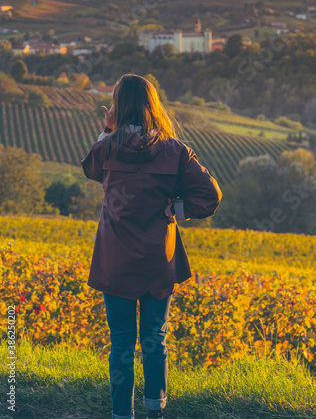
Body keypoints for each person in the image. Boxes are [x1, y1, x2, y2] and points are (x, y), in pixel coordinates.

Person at [80, 73, 222, 419]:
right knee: (154, 340)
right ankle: (155, 410)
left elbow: (91, 170)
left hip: (116, 262)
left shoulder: (107, 147)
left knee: (122, 343)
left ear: (118, 107)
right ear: (152, 105)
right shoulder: (174, 151)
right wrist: (175, 209)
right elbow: (211, 196)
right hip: (159, 260)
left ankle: (121, 414)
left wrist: (108, 129)